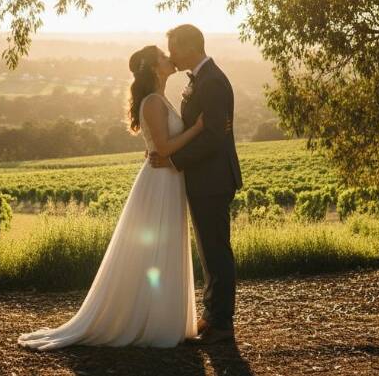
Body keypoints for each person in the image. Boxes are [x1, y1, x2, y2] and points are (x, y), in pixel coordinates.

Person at [18, 45, 203, 350]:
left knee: (164, 247)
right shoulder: (153, 101)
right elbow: (164, 149)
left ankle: (162, 318)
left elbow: (159, 146)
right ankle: (150, 322)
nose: (169, 57)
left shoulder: (159, 99)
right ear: (153, 67)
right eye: (162, 56)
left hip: (169, 179)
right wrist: (197, 129)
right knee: (155, 249)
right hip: (159, 182)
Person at [149, 23, 242, 345]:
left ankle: (222, 324)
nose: (171, 54)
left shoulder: (212, 81)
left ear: (189, 47)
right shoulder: (202, 78)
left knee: (216, 252)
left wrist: (174, 160)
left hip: (213, 178)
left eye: (173, 48)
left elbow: (214, 137)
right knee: (209, 252)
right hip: (204, 178)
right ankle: (212, 315)